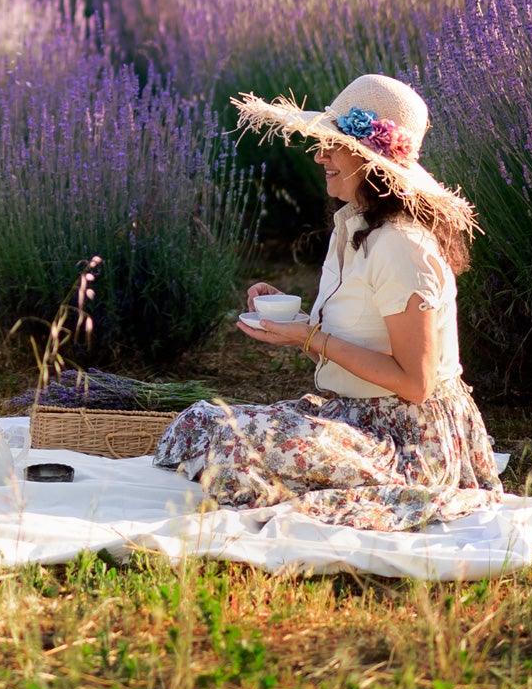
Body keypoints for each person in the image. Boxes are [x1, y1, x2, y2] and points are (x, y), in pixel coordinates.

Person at [153, 73, 501, 531]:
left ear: (371, 161)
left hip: (408, 440)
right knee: (201, 421)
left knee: (236, 445)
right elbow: (357, 335)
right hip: (357, 415)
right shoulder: (356, 228)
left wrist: (311, 338)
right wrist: (292, 322)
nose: (320, 156)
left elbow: (415, 384)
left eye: (334, 145)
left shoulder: (401, 245)